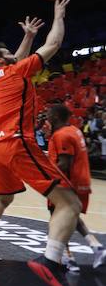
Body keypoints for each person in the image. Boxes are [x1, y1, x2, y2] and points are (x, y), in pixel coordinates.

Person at [0, 0, 83, 286]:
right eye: (8, 53)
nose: (14, 55)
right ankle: (51, 262)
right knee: (70, 204)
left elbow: (14, 62)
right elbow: (53, 43)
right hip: (14, 142)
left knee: (2, 196)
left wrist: (27, 36)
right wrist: (58, 14)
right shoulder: (17, 71)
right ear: (3, 60)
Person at [46, 103, 105, 270]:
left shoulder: (62, 135)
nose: (47, 118)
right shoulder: (74, 130)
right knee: (70, 216)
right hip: (82, 180)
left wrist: (46, 178)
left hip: (68, 182)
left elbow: (65, 163)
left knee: (57, 217)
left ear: (56, 117)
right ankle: (96, 246)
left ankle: (67, 258)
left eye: (49, 115)